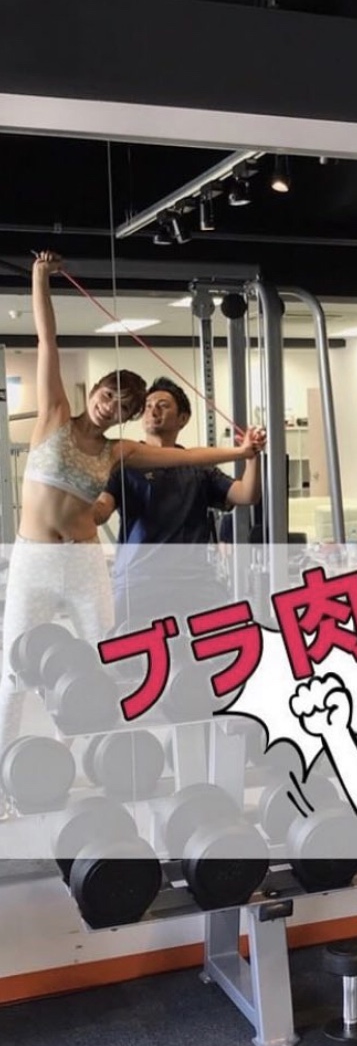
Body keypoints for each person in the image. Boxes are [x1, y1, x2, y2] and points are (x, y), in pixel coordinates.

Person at [0, 252, 264, 757]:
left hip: (83, 563)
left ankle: (83, 755)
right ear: (95, 392)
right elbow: (47, 340)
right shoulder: (53, 416)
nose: (110, 407)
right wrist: (39, 277)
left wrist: (242, 451)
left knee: (102, 666)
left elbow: (187, 457)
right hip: (35, 559)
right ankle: (5, 771)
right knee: (15, 668)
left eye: (123, 406)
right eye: (107, 396)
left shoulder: (117, 451)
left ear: (127, 416)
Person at [93, 376, 262, 623]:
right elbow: (100, 512)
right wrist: (73, 497)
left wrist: (252, 456)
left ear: (183, 418)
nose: (153, 411)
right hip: (139, 582)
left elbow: (247, 494)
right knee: (124, 642)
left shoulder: (198, 467)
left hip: (194, 582)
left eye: (163, 405)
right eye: (148, 406)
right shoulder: (125, 466)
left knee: (225, 634)